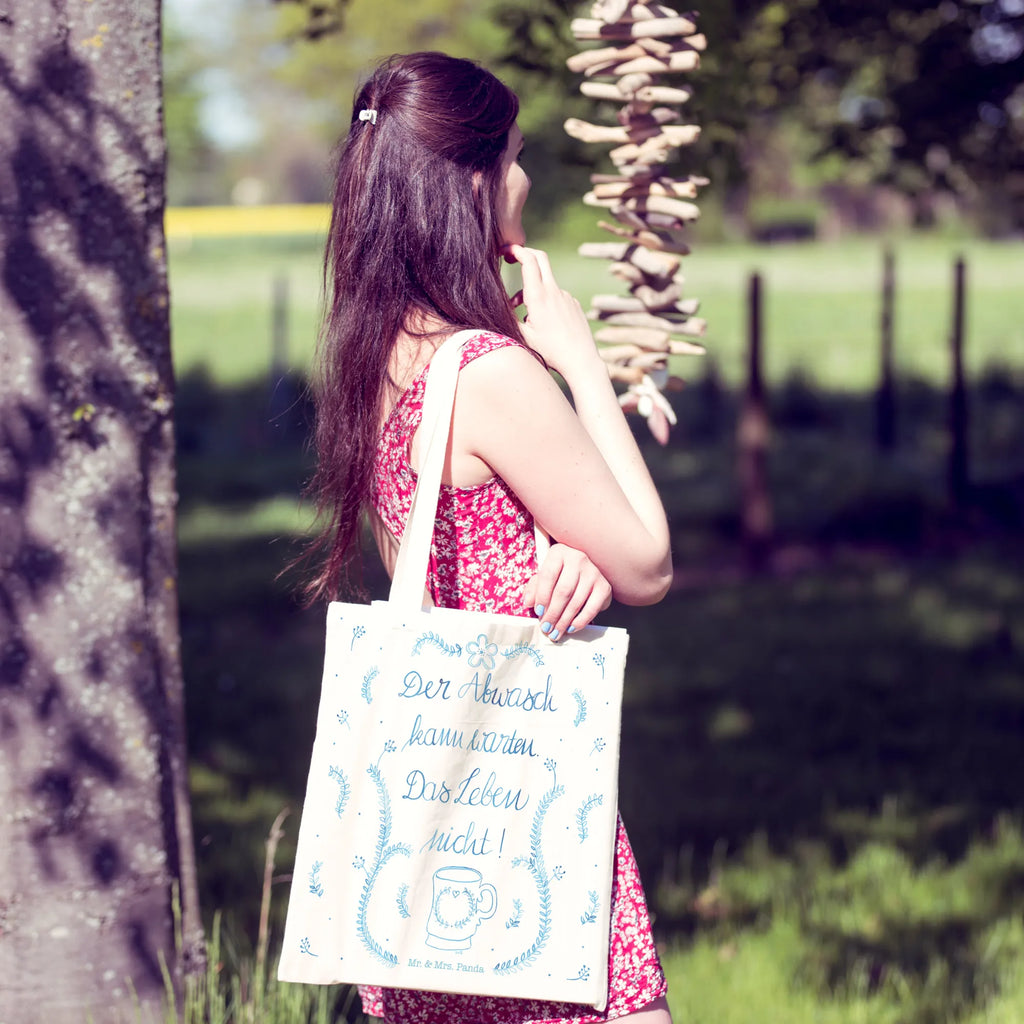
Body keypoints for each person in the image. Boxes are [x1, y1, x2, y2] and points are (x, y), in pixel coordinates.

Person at [304, 51, 674, 1024]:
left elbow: (437, 554)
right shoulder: (491, 372)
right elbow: (648, 560)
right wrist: (581, 362)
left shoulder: (378, 357)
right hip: (522, 815)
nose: (523, 178)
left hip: (427, 835)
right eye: (512, 156)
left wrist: (559, 556)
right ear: (470, 181)